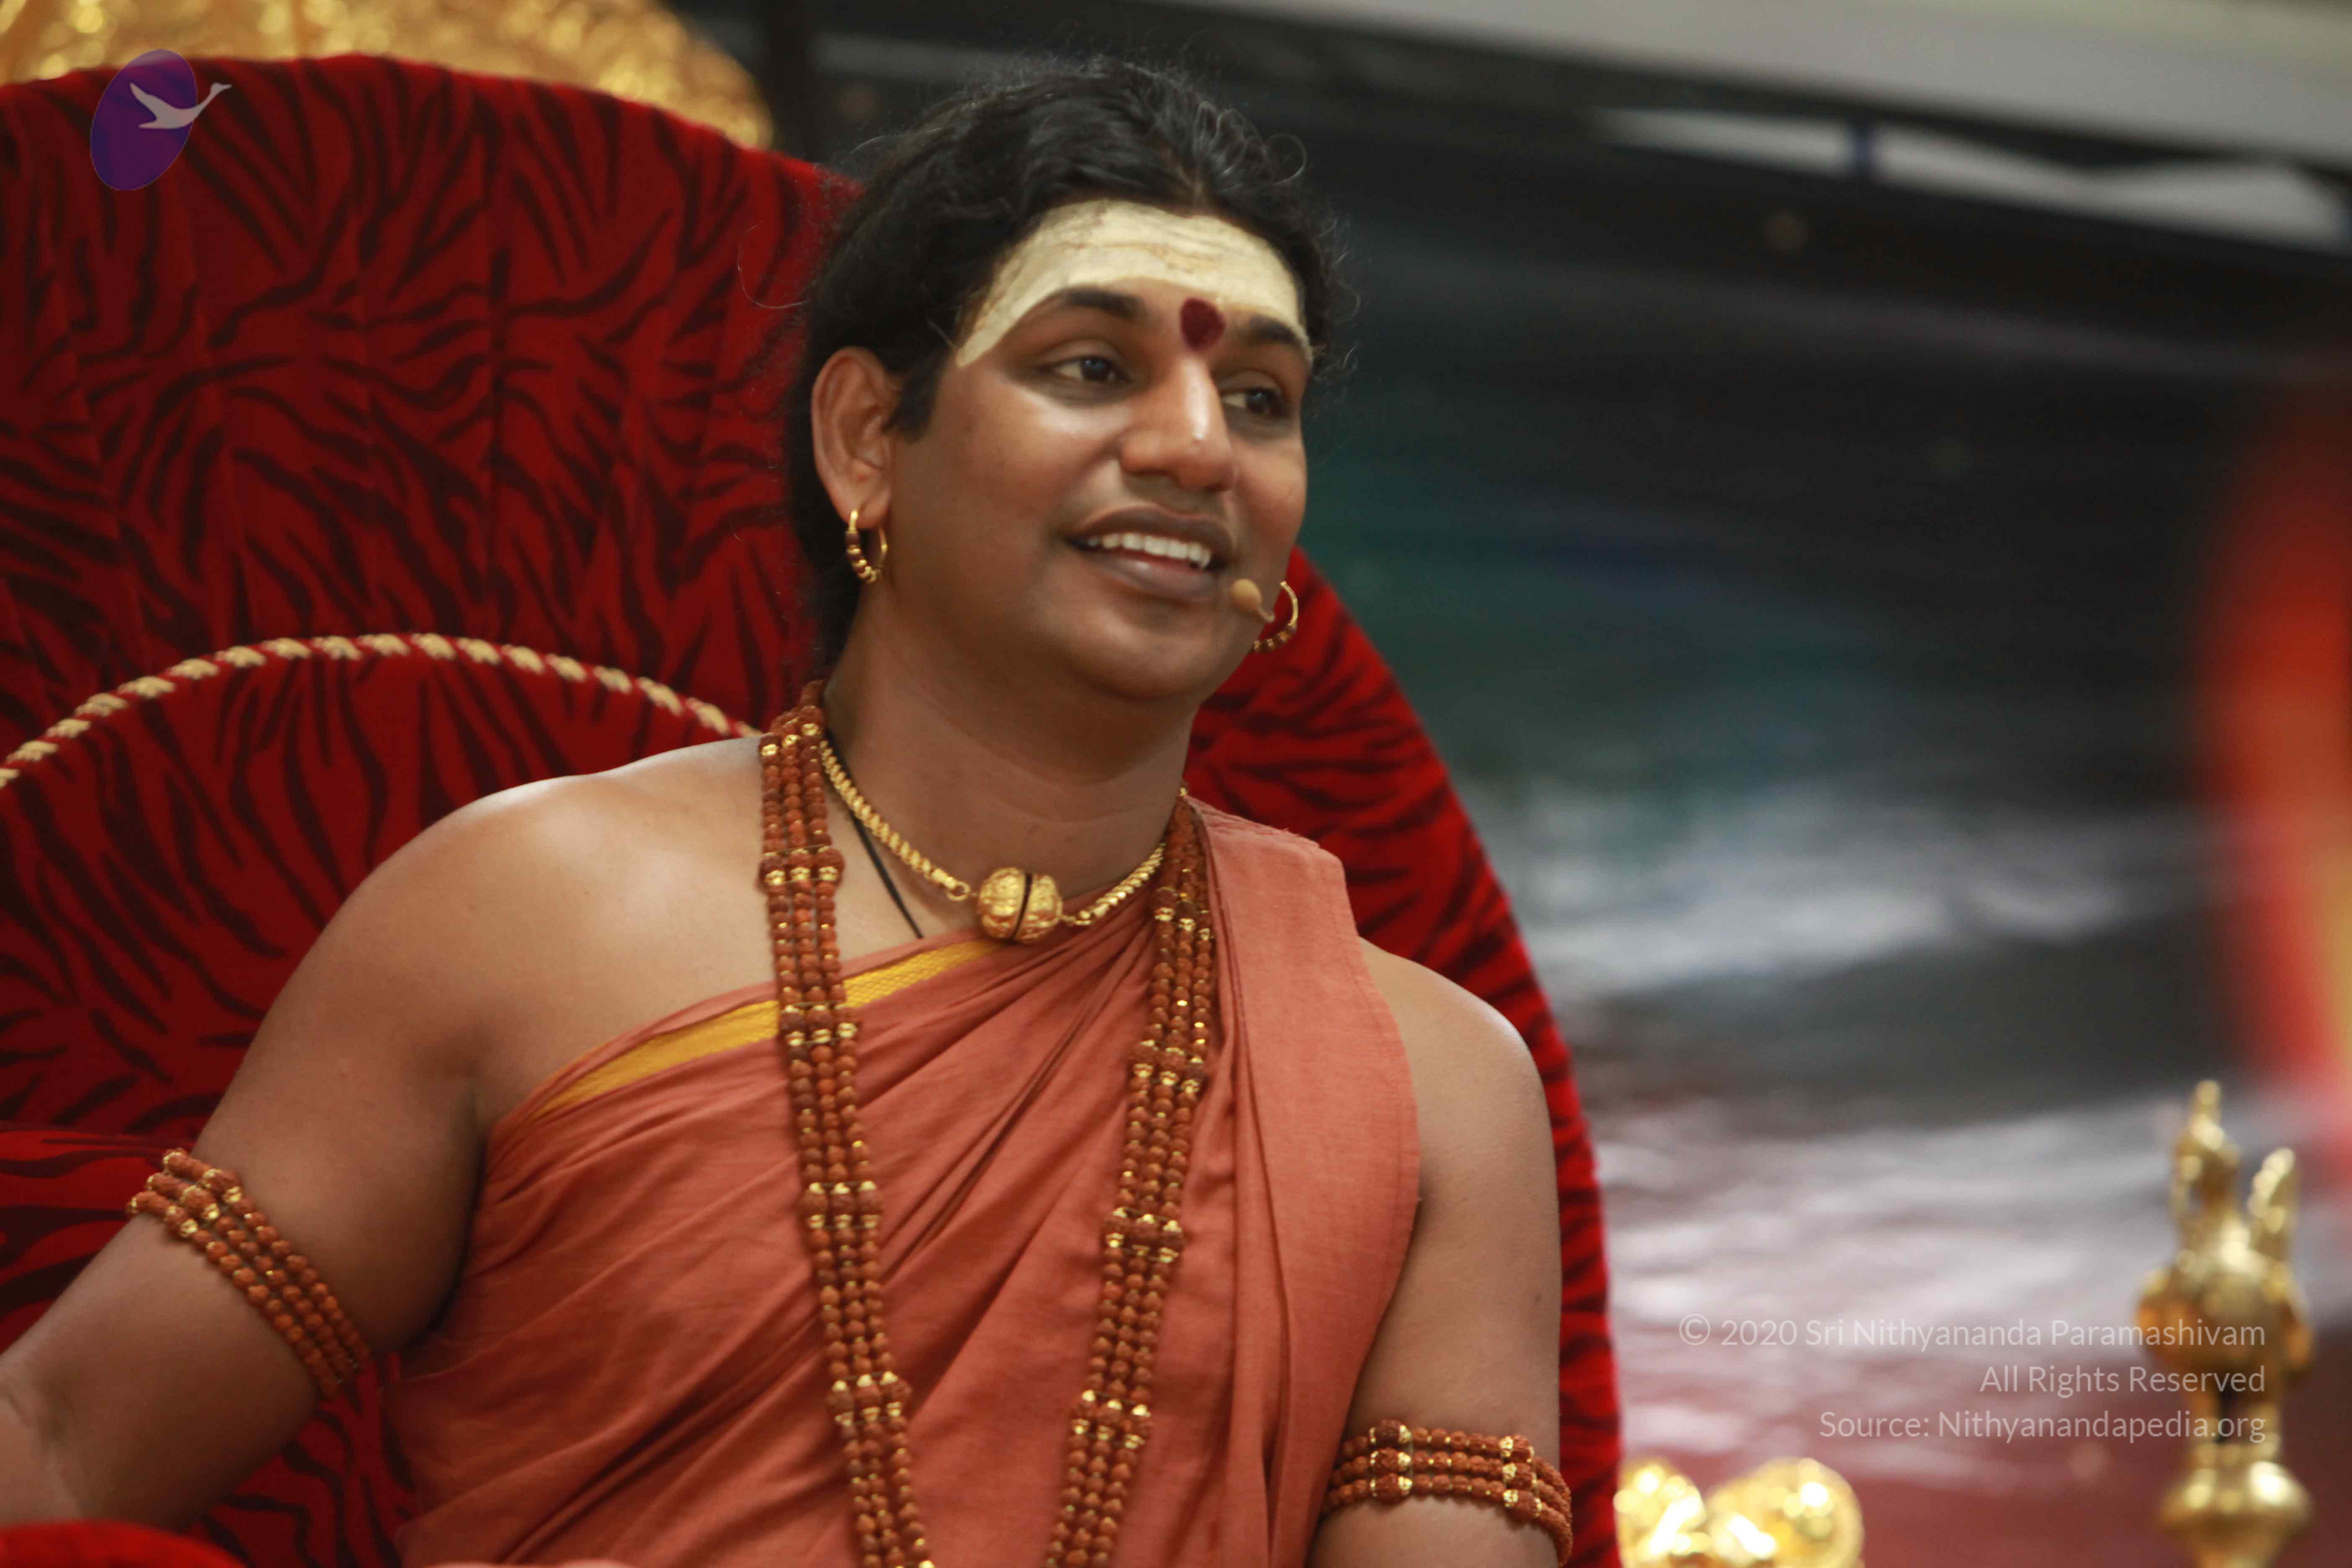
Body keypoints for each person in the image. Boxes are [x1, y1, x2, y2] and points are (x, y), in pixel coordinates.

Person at [0, 58, 1571, 1568]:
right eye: (1092, 368)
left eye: (1260, 396)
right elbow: (61, 1443)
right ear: (867, 440)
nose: (1197, 447)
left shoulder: (1431, 1092)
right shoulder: (529, 913)